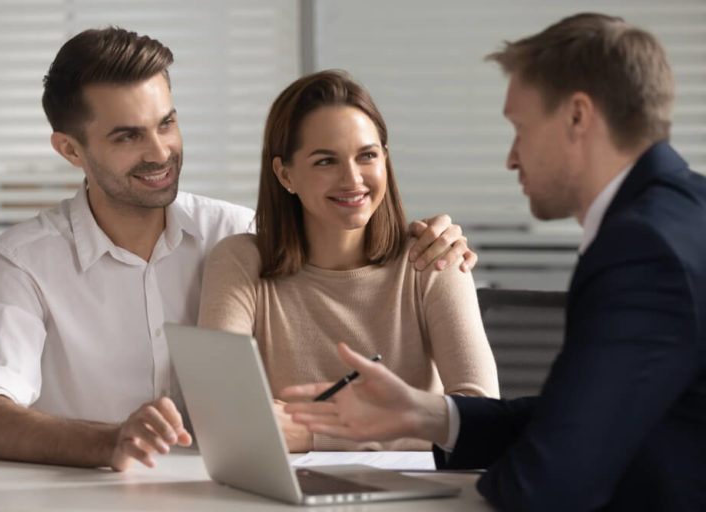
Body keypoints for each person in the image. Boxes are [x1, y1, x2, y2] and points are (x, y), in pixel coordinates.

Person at [0, 28, 476, 471]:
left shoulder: (238, 234)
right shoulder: (24, 259)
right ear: (70, 149)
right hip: (87, 493)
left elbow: (343, 230)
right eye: (127, 136)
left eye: (167, 123)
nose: (160, 152)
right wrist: (107, 442)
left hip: (224, 488)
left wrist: (437, 243)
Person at [283, 13, 706, 511]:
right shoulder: (680, 214)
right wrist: (425, 414)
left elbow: (548, 484)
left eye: (520, 128)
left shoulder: (643, 249)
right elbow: (575, 420)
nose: (510, 157)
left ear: (577, 117)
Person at [197, 70, 499, 452]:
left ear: (385, 161)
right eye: (326, 161)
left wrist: (311, 433)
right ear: (285, 173)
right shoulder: (241, 262)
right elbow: (223, 414)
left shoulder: (431, 259)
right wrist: (407, 430)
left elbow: (479, 417)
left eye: (367, 156)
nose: (353, 179)